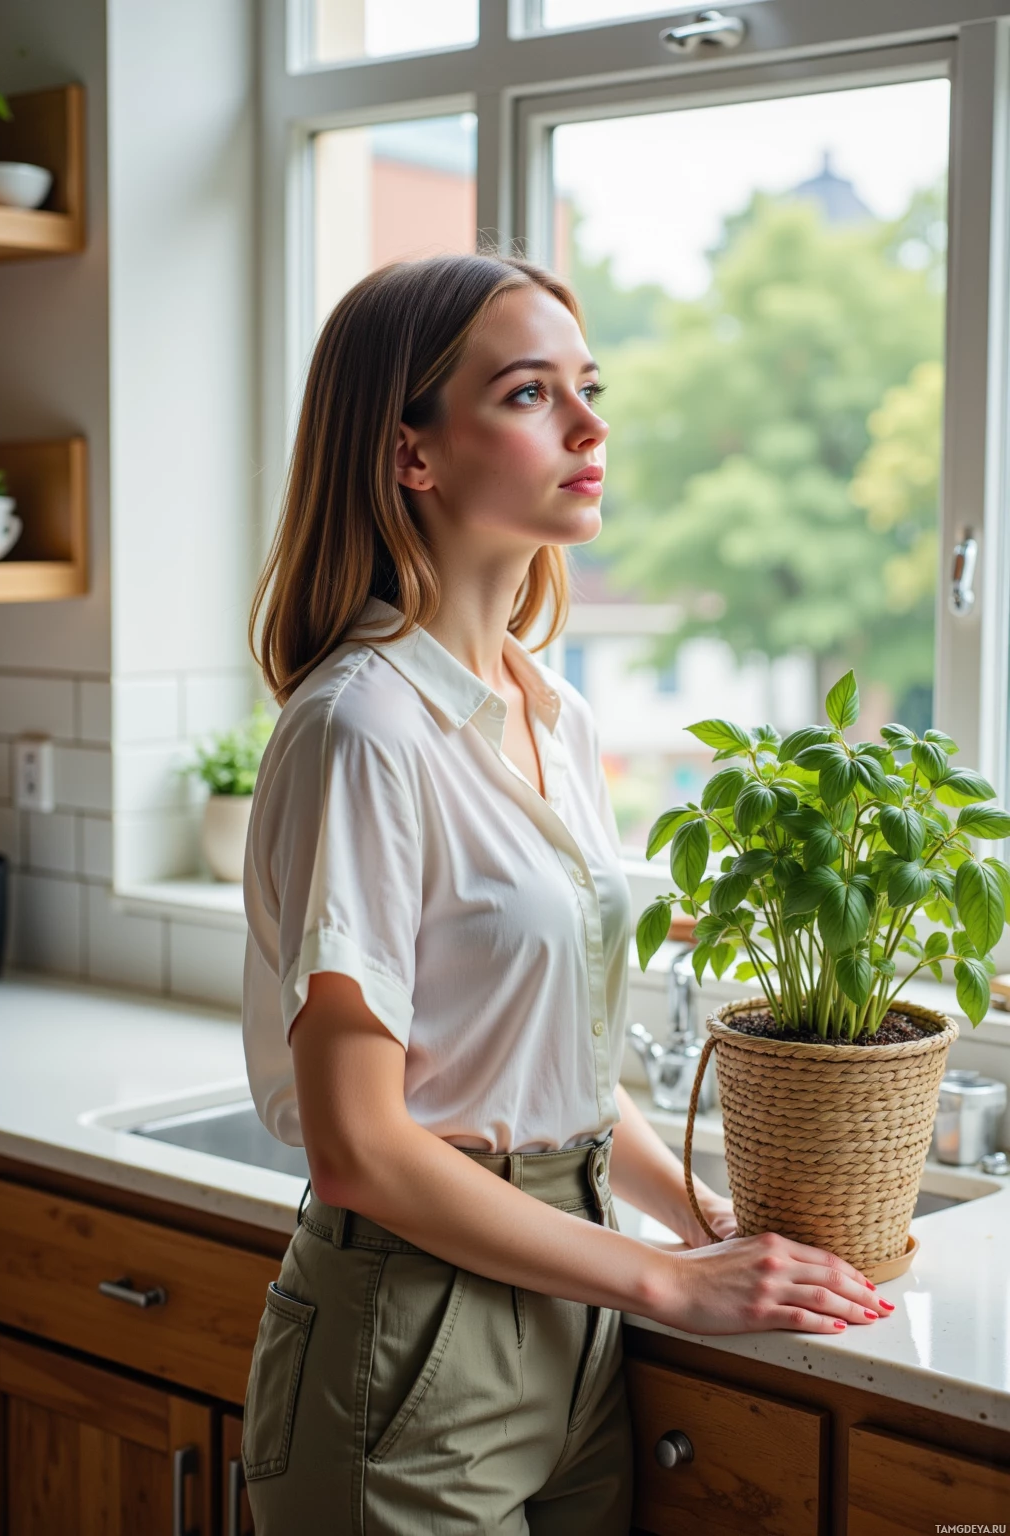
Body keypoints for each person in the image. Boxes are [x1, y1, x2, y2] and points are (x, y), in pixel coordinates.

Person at [239, 250, 892, 1535]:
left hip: (572, 1319)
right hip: (416, 1336)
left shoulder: (550, 704)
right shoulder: (362, 728)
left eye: (586, 387)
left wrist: (696, 1214)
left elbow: (562, 1076)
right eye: (532, 394)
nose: (592, 427)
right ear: (412, 454)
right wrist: (668, 1281)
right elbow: (359, 1147)